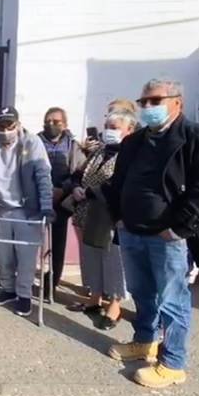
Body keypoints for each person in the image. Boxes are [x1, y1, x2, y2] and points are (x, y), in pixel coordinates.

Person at [101, 78, 199, 388]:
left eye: (156, 101)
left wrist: (178, 229)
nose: (148, 107)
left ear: (177, 103)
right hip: (133, 231)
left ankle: (173, 363)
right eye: (144, 102)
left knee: (171, 299)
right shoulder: (134, 142)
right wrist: (118, 216)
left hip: (168, 236)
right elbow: (118, 183)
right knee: (141, 291)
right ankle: (145, 341)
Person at [0, 106, 54, 315]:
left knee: (26, 257)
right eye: (1, 126)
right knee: (4, 255)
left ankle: (24, 295)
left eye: (9, 125)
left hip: (27, 209)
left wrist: (46, 206)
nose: (5, 130)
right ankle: (8, 289)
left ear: (18, 124)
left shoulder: (32, 142)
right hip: (2, 208)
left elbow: (43, 176)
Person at [67, 109, 137, 330]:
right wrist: (76, 187)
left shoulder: (132, 153)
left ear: (129, 130)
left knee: (113, 259)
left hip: (112, 215)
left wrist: (88, 192)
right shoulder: (100, 150)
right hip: (87, 213)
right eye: (107, 126)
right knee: (91, 256)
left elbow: (118, 184)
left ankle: (114, 304)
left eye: (114, 128)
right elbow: (79, 173)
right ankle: (94, 297)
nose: (108, 131)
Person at [38, 107, 86, 297]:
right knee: (33, 241)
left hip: (62, 199)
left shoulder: (72, 145)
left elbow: (79, 172)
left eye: (56, 121)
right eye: (47, 121)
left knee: (58, 244)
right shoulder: (35, 142)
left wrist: (63, 189)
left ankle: (52, 282)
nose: (51, 124)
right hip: (38, 197)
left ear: (64, 124)